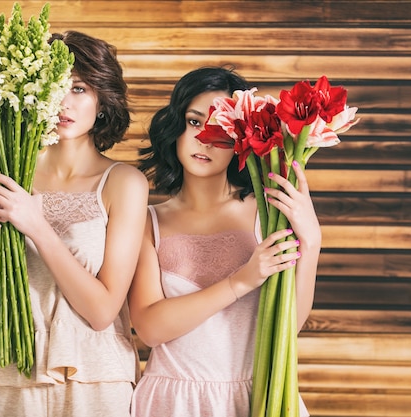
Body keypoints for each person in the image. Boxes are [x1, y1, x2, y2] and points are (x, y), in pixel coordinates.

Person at [0, 31, 149, 417]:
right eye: (53, 87)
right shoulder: (3, 178)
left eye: (80, 88)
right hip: (10, 374)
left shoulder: (123, 183)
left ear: (102, 100)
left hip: (96, 379)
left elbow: (103, 312)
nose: (63, 102)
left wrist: (35, 225)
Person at [128, 66, 319, 416]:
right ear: (176, 127)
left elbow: (289, 323)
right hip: (173, 401)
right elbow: (150, 329)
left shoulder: (268, 214)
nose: (204, 139)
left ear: (240, 140)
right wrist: (240, 281)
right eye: (194, 121)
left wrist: (313, 242)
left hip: (258, 394)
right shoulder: (146, 221)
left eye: (221, 128)